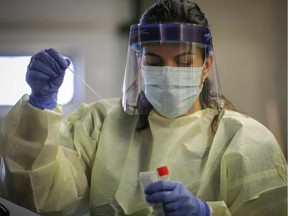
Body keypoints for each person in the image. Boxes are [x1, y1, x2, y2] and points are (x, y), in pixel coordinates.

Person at [0, 0, 286, 215]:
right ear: (139, 63)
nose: (168, 72)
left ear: (206, 66)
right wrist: (40, 105)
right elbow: (42, 193)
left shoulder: (246, 140)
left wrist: (206, 213)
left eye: (184, 62)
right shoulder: (100, 124)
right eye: (154, 62)